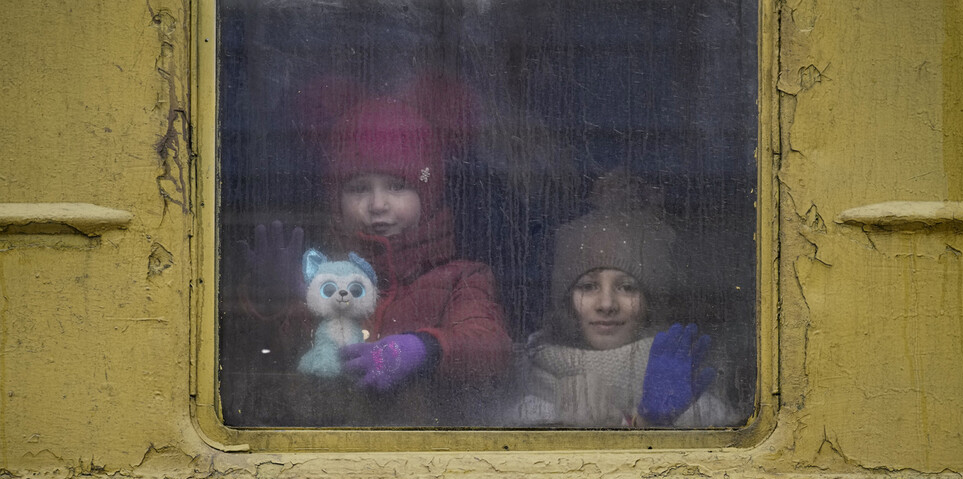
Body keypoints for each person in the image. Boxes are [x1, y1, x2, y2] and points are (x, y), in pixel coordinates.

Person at [222, 89, 512, 426]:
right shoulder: (318, 277)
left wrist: (423, 349)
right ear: (336, 201)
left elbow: (491, 344)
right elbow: (266, 359)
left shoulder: (461, 279)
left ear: (427, 194)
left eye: (396, 186)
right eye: (359, 188)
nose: (378, 204)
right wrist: (269, 300)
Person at [512, 176, 737, 428]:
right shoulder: (527, 410)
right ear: (566, 303)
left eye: (627, 287)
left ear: (650, 303)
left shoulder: (696, 408)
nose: (607, 304)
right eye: (588, 286)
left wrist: (645, 423)